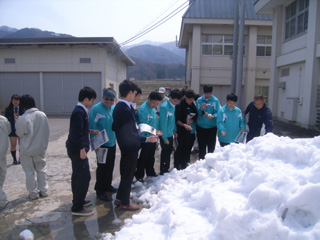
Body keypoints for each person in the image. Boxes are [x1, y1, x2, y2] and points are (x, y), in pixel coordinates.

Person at [112, 80, 157, 211]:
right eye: (134, 93)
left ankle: (120, 198)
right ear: (130, 92)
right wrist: (146, 139)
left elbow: (115, 127)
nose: (135, 96)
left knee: (126, 173)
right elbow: (129, 134)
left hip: (126, 146)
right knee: (128, 175)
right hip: (129, 146)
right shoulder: (124, 109)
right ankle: (125, 202)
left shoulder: (120, 107)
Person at [66, 86, 97, 216]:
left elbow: (80, 129)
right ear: (85, 99)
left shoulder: (81, 111)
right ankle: (77, 207)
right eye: (92, 100)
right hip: (77, 150)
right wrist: (82, 149)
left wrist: (90, 131)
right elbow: (75, 134)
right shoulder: (79, 112)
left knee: (77, 175)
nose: (92, 103)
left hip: (76, 149)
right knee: (84, 176)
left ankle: (78, 199)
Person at [15, 94, 50, 200]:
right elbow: (46, 131)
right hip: (40, 148)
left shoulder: (23, 118)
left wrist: (17, 121)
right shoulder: (42, 115)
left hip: (27, 149)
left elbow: (20, 133)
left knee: (29, 171)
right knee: (41, 169)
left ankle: (33, 193)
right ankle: (43, 190)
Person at [89, 88, 117, 202]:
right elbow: (92, 127)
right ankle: (100, 190)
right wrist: (95, 145)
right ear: (102, 98)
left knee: (110, 166)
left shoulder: (114, 109)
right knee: (102, 167)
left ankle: (107, 185)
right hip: (102, 144)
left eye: (112, 99)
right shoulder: (96, 109)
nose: (109, 101)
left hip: (112, 142)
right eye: (107, 99)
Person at [135, 91, 162, 182]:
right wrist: (153, 134)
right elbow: (144, 127)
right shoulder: (143, 110)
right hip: (145, 137)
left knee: (151, 156)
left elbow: (154, 122)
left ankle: (150, 171)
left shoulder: (152, 109)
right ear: (149, 99)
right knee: (143, 157)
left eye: (156, 103)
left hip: (152, 136)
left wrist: (156, 132)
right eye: (153, 102)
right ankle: (139, 175)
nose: (154, 105)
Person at [158, 88, 182, 175]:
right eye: (174, 100)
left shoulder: (173, 106)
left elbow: (172, 120)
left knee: (168, 153)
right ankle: (163, 170)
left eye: (177, 101)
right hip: (165, 134)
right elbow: (163, 124)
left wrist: (175, 130)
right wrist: (164, 138)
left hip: (170, 133)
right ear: (170, 97)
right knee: (165, 153)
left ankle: (166, 169)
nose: (176, 102)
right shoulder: (165, 107)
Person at [174, 89, 198, 170]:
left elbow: (196, 115)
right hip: (182, 131)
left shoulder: (192, 105)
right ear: (185, 97)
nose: (190, 101)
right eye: (189, 100)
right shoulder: (179, 105)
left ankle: (185, 163)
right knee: (181, 147)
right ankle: (177, 164)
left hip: (190, 130)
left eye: (192, 100)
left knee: (188, 147)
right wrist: (184, 124)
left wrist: (192, 119)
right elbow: (177, 120)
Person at [196, 84, 221, 159]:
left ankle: (210, 162)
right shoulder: (199, 100)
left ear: (212, 92)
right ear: (203, 92)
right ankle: (201, 162)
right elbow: (197, 113)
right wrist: (201, 108)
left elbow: (218, 112)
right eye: (206, 93)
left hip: (212, 127)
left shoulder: (215, 100)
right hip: (201, 126)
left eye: (209, 93)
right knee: (201, 147)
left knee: (211, 147)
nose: (207, 95)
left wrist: (213, 116)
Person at [5, 94, 23, 165]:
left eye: (17, 100)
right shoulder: (8, 110)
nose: (15, 101)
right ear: (11, 101)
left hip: (21, 129)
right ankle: (14, 159)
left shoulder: (22, 109)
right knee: (13, 145)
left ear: (19, 101)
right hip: (12, 129)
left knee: (21, 144)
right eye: (13, 100)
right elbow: (6, 120)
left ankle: (21, 158)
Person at [0, 112, 11, 210]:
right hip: (2, 153)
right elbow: (9, 131)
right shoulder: (4, 120)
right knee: (2, 174)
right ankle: (2, 200)